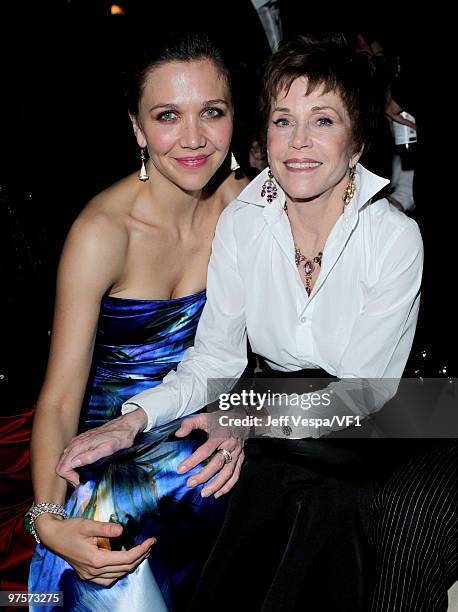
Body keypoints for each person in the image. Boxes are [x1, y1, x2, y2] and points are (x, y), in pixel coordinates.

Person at [57, 35, 423, 610]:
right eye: (283, 120)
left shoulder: (393, 238)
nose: (299, 142)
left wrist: (245, 420)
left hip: (367, 422)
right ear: (264, 135)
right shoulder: (244, 222)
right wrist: (133, 419)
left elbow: (361, 394)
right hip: (268, 402)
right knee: (237, 483)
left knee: (316, 498)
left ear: (356, 143)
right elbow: (214, 361)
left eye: (322, 120)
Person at [27, 32, 249, 612]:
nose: (194, 138)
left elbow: (282, 355)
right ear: (137, 128)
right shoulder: (104, 232)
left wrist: (240, 414)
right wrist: (47, 521)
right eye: (168, 116)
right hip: (112, 459)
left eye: (213, 112)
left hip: (204, 443)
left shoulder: (251, 209)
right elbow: (57, 401)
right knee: (109, 507)